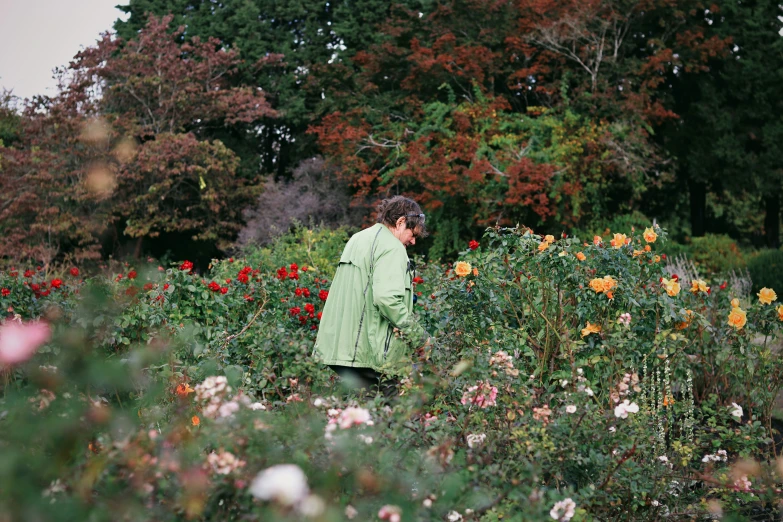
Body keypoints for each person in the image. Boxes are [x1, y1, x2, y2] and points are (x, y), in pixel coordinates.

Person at [314, 196, 429, 395]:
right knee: (395, 415)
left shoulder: (358, 239)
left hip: (342, 350)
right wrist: (420, 337)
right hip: (371, 355)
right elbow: (387, 299)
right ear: (400, 222)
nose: (413, 240)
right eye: (413, 233)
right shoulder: (392, 248)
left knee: (361, 417)